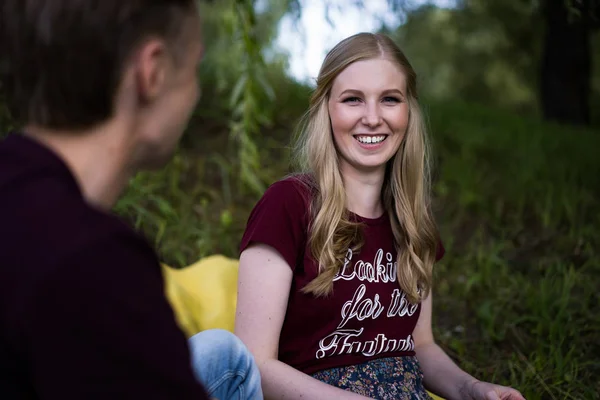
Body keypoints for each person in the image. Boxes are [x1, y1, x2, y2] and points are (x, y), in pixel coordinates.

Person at [234, 32, 525, 400]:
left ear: (408, 112)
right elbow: (253, 365)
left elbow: (421, 348)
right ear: (326, 109)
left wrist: (471, 389)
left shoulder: (413, 220)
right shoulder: (288, 205)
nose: (372, 118)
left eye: (390, 99)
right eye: (353, 100)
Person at [0, 1, 262, 399]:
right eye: (193, 68)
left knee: (225, 356)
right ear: (152, 72)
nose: (194, 94)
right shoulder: (94, 261)